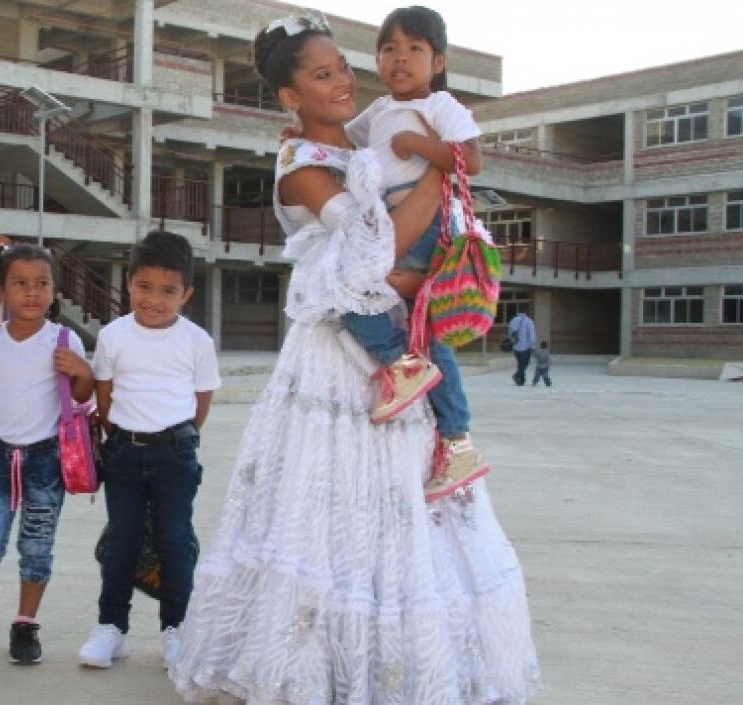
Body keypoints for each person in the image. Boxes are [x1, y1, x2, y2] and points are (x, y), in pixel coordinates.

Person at [169, 16, 540, 705]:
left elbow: (394, 246)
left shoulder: (364, 139)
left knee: (401, 499)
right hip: (339, 362)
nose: (342, 82)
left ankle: (394, 665)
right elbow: (377, 246)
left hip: (403, 347)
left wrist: (413, 258)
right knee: (331, 504)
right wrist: (438, 165)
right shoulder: (303, 166)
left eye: (342, 67)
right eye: (321, 74)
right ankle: (320, 665)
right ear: (289, 95)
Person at [340, 4, 488, 501]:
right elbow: (344, 139)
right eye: (389, 49)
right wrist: (302, 134)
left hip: (425, 224)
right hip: (387, 222)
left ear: (438, 61)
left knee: (351, 289)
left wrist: (417, 142)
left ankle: (402, 367)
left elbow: (472, 160)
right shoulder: (378, 110)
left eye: (414, 49)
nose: (400, 59)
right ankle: (455, 439)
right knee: (423, 332)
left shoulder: (440, 108)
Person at [77, 230, 221, 670]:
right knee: (121, 540)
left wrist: (177, 437)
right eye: (144, 287)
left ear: (186, 294)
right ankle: (111, 628)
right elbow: (105, 395)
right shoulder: (114, 336)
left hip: (174, 455)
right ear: (129, 284)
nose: (154, 300)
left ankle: (175, 630)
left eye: (167, 291)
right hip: (123, 453)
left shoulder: (197, 341)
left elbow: (202, 401)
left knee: (174, 541)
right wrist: (121, 437)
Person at [0, 243, 94, 665]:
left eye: (42, 284)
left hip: (46, 461)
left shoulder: (64, 340)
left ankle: (25, 624)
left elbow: (81, 397)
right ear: (0, 292)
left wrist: (83, 373)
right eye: (21, 284)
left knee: (37, 546)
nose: (32, 293)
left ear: (53, 290)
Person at [509, 310, 537, 385]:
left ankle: (521, 381)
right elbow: (532, 335)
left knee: (520, 363)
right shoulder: (529, 321)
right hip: (525, 347)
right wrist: (532, 346)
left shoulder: (513, 320)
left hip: (515, 347)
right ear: (526, 311)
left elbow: (510, 334)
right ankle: (517, 375)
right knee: (526, 363)